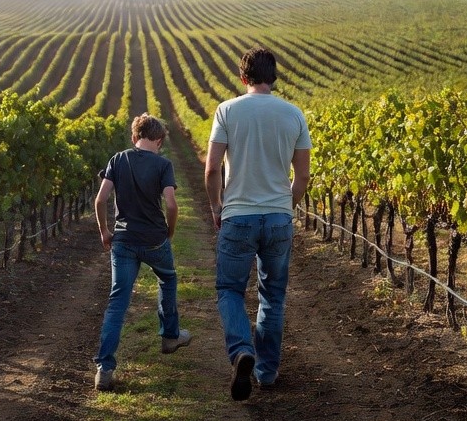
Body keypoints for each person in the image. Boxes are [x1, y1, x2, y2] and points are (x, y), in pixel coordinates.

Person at [205, 46, 311, 401]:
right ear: (274, 77)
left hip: (238, 216)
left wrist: (217, 206)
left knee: (230, 290)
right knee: (273, 296)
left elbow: (212, 168)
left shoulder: (227, 110)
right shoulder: (294, 114)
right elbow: (302, 177)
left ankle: (241, 351)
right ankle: (266, 372)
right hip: (278, 217)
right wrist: (285, 206)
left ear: (243, 77)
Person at [92, 113, 192, 392]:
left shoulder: (117, 159)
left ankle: (105, 368)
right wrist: (169, 232)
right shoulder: (163, 164)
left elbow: (100, 199)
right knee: (168, 279)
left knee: (118, 301)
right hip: (154, 240)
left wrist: (104, 231)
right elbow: (171, 205)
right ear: (159, 140)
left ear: (135, 137)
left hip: (123, 240)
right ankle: (170, 336)